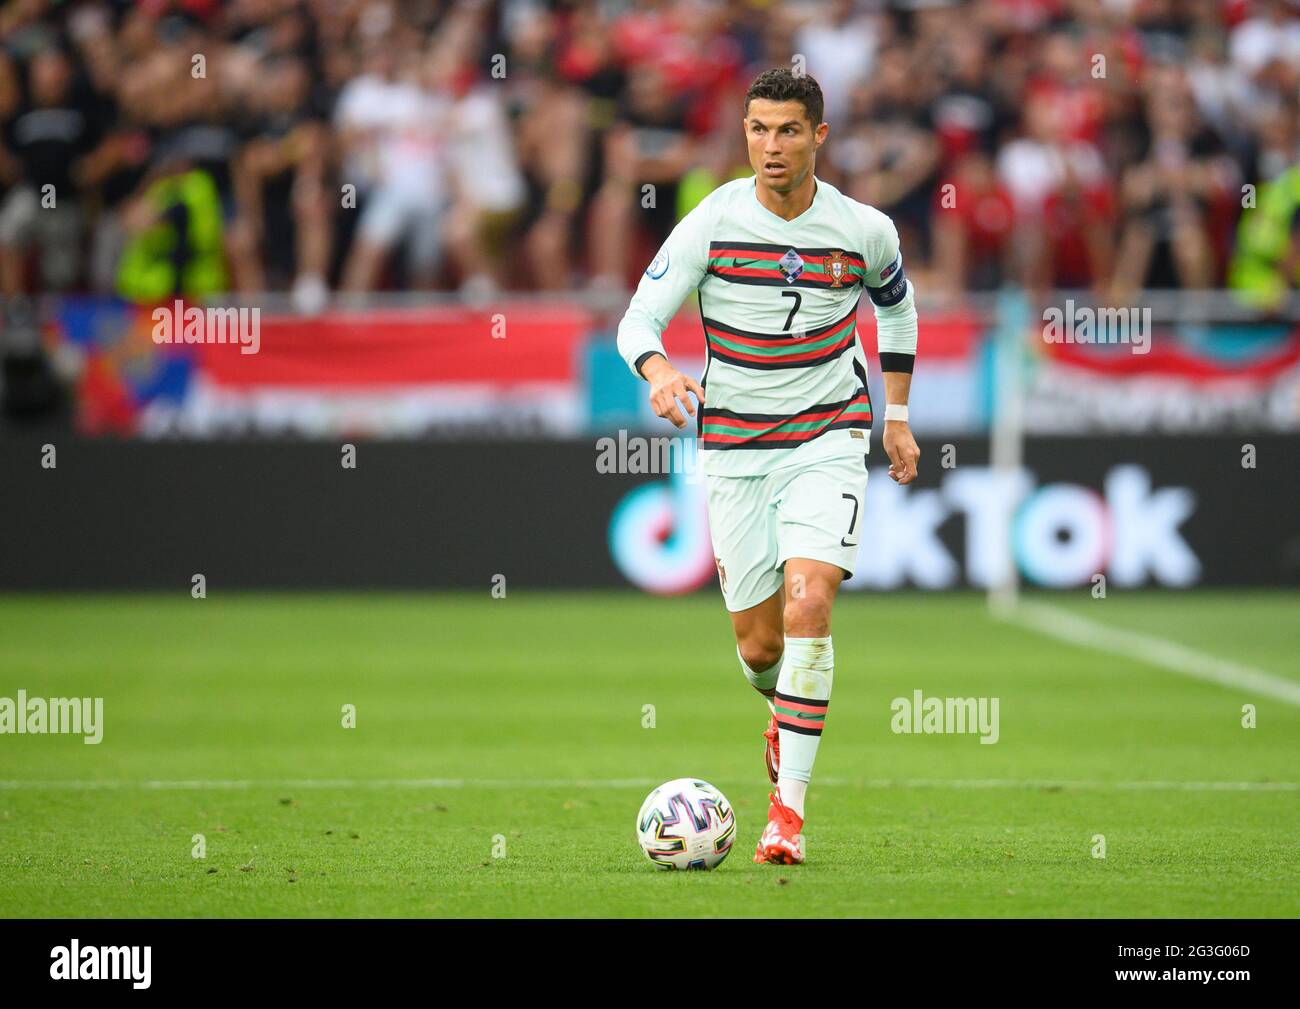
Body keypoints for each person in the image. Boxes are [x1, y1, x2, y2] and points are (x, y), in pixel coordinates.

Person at [615, 68, 920, 865]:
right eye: (757, 129)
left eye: (787, 130)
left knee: (809, 601)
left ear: (819, 136)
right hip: (736, 450)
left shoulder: (863, 229)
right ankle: (782, 719)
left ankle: (788, 815)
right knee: (759, 647)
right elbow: (639, 318)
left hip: (828, 437)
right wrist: (659, 371)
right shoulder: (713, 220)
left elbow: (897, 304)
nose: (770, 146)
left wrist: (898, 415)